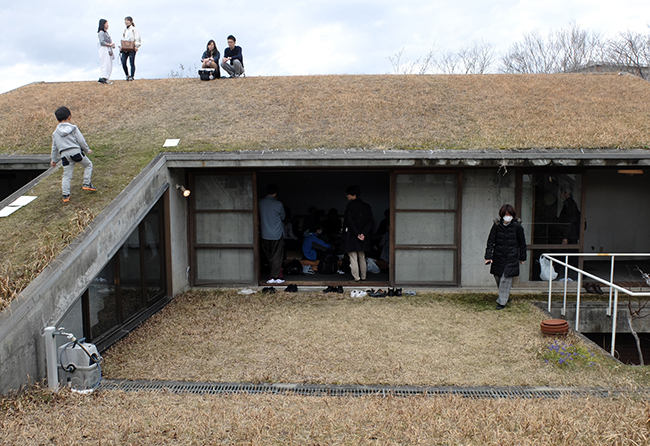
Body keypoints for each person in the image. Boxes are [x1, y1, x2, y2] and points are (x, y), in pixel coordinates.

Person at [50, 107, 97, 202]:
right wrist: (87, 150)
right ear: (69, 117)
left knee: (66, 175)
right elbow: (81, 141)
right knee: (88, 165)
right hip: (75, 152)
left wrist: (53, 160)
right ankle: (86, 184)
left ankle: (66, 195)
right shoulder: (73, 128)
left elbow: (54, 148)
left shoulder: (55, 133)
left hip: (64, 155)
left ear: (57, 120)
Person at [484, 204, 527, 310]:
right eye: (506, 214)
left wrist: (522, 257)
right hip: (498, 256)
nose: (508, 216)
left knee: (506, 279)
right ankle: (504, 296)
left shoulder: (517, 226)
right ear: (502, 215)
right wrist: (488, 256)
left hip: (511, 257)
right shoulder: (497, 226)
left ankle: (501, 302)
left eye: (510, 214)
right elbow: (490, 241)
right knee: (498, 277)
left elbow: (522, 243)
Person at [342, 185, 374, 282]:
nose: (347, 196)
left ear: (353, 195)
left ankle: (356, 278)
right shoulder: (366, 206)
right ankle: (364, 277)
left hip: (352, 236)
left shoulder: (350, 206)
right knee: (362, 257)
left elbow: (350, 222)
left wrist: (357, 234)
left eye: (348, 194)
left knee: (353, 258)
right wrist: (363, 233)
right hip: (363, 236)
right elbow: (370, 221)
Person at [259, 184, 285, 284]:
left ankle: (274, 273)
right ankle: (274, 276)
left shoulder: (260, 202)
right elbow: (283, 217)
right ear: (275, 193)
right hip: (276, 233)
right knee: (277, 256)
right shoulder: (278, 204)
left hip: (264, 233)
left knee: (269, 255)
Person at [120, 16, 141, 81]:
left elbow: (137, 38)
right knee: (123, 62)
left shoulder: (134, 29)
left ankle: (132, 76)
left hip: (132, 47)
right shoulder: (124, 30)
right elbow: (123, 39)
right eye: (125, 21)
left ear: (131, 21)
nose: (126, 22)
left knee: (131, 62)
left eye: (127, 20)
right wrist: (121, 47)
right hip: (125, 48)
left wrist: (136, 46)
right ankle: (127, 75)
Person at [97, 19, 115, 84]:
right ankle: (103, 78)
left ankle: (106, 78)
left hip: (108, 49)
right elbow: (102, 42)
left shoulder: (106, 33)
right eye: (106, 24)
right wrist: (109, 45)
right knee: (105, 63)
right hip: (104, 50)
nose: (108, 25)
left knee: (109, 64)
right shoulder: (101, 33)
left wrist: (111, 45)